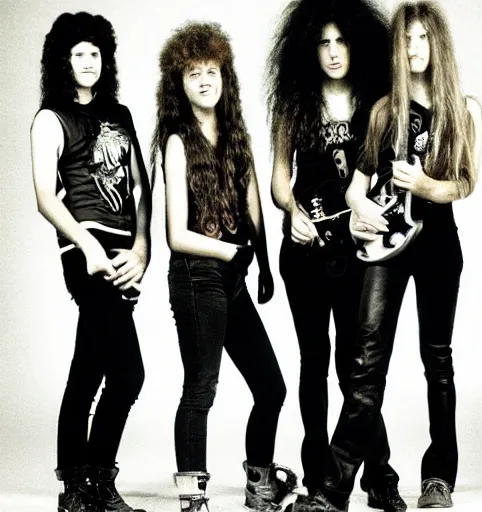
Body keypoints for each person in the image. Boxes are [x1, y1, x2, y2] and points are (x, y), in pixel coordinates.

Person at [327, 1, 482, 509]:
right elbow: (356, 186)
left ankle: (439, 478)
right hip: (388, 245)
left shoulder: (464, 109)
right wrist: (356, 210)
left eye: (422, 37)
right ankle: (334, 487)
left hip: (439, 244)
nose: (414, 47)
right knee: (366, 362)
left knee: (438, 361)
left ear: (437, 42)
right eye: (406, 39)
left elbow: (466, 183)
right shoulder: (384, 111)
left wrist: (426, 184)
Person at [150, 21, 297, 512]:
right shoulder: (176, 142)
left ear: (224, 76)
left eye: (212, 71)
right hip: (197, 277)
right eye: (193, 74)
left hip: (233, 276)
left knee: (271, 388)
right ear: (180, 84)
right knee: (201, 387)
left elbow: (253, 202)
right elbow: (176, 235)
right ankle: (193, 496)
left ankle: (259, 485)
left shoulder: (236, 134)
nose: (205, 80)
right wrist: (232, 253)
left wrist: (264, 263)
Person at [266, 1, 406, 511]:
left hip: (359, 251)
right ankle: (317, 473)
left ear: (356, 44)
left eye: (340, 41)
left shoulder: (376, 103)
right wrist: (291, 209)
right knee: (313, 363)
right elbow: (280, 178)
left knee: (357, 366)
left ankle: (379, 476)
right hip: (305, 252)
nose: (331, 52)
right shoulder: (294, 105)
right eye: (322, 42)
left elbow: (385, 179)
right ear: (309, 48)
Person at [30, 12, 151, 512]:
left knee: (91, 367)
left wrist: (142, 249)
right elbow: (44, 197)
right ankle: (87, 483)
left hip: (124, 250)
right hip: (86, 250)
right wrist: (89, 247)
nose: (87, 61)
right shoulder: (50, 118)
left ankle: (84, 487)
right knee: (127, 373)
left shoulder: (119, 115)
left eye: (95, 53)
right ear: (62, 60)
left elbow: (142, 189)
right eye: (78, 53)